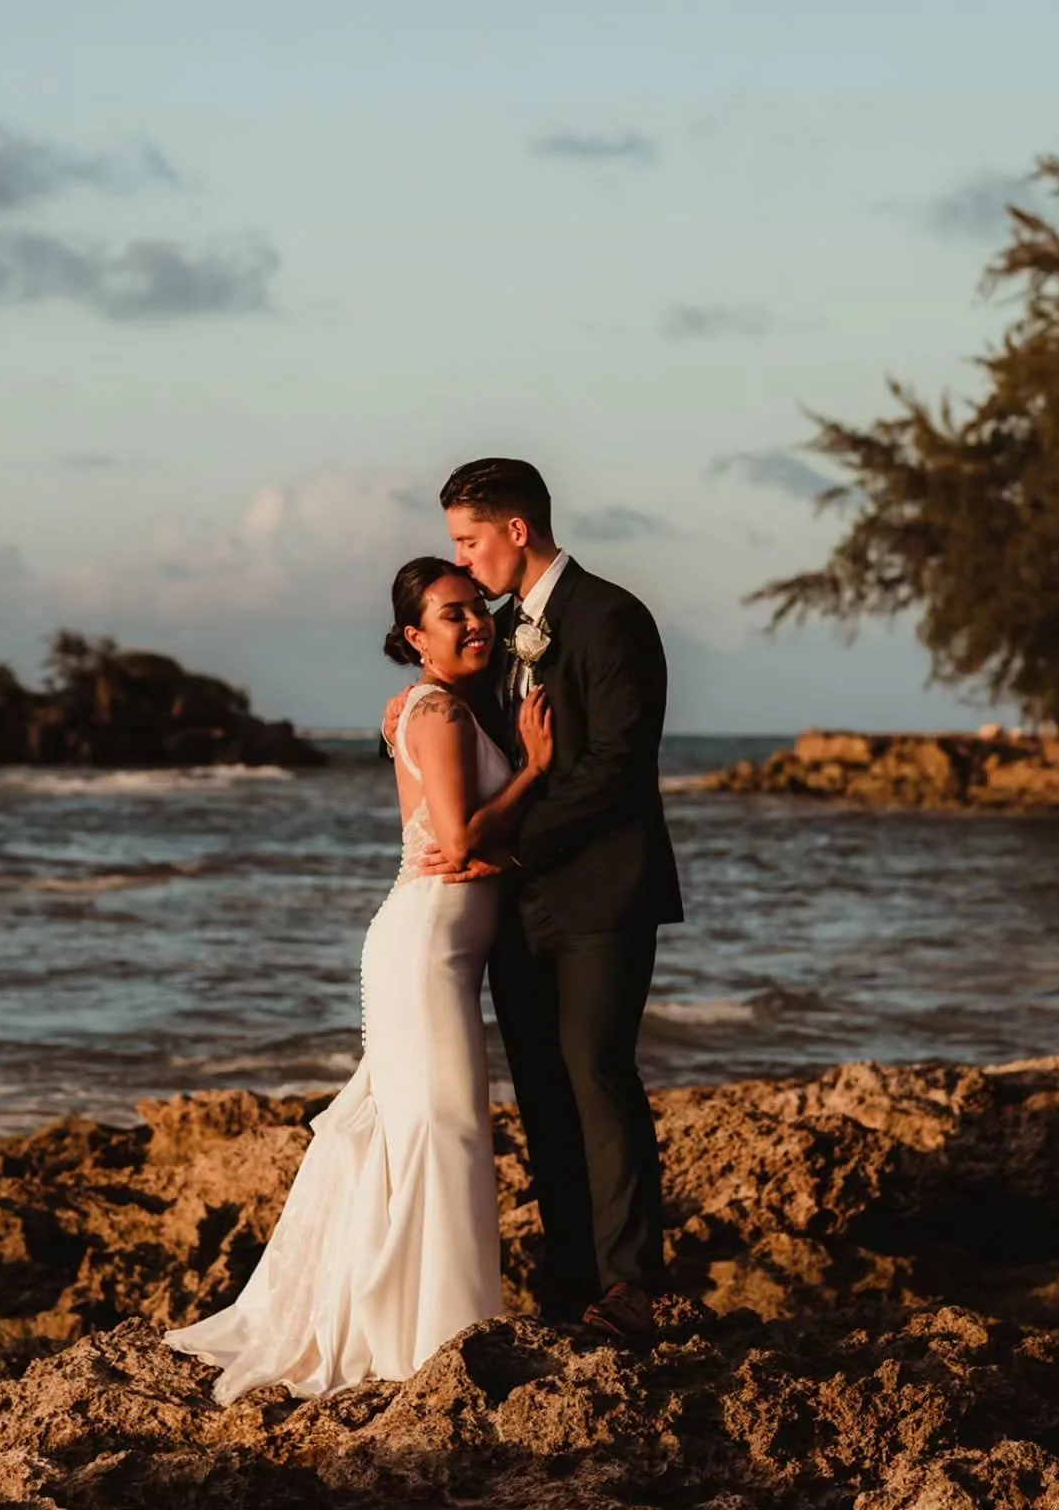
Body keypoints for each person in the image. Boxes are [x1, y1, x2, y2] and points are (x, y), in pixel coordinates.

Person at [163, 557, 553, 1401]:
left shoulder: (441, 706)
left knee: (424, 1133)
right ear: (415, 638)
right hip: (425, 952)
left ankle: (413, 1327)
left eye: (477, 609)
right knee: (442, 1132)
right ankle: (429, 1341)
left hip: (431, 948)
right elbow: (456, 842)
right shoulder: (439, 708)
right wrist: (536, 770)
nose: (475, 623)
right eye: (452, 616)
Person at [386, 458, 683, 1348]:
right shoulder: (497, 630)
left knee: (598, 1073)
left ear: (517, 531)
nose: (464, 565)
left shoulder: (612, 618)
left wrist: (515, 843)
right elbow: (455, 742)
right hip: (515, 906)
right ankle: (569, 1281)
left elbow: (615, 768)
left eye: (470, 542)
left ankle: (632, 1286)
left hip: (600, 893)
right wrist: (402, 714)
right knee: (544, 1094)